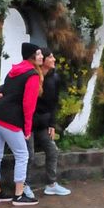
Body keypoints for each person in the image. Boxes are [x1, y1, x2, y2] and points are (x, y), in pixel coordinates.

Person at [0, 42, 43, 207]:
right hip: (10, 120)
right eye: (38, 54)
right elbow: (28, 104)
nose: (41, 57)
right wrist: (27, 128)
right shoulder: (32, 75)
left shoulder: (15, 70)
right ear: (31, 56)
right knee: (22, 155)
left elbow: (5, 89)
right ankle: (19, 195)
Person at [33, 51, 72, 197]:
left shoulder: (55, 78)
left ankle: (51, 184)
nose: (54, 59)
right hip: (28, 124)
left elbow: (54, 104)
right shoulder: (32, 76)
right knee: (27, 155)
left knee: (52, 150)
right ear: (42, 60)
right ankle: (24, 187)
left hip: (43, 124)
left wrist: (52, 125)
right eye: (50, 57)